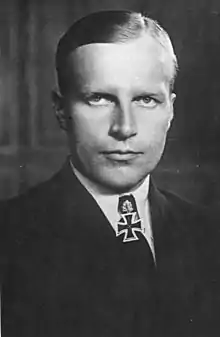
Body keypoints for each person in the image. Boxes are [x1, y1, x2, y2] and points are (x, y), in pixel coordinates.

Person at [0, 10, 220, 337]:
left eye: (146, 99)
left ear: (170, 109)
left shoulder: (210, 235)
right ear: (61, 110)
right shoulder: (10, 236)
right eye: (99, 98)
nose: (125, 128)